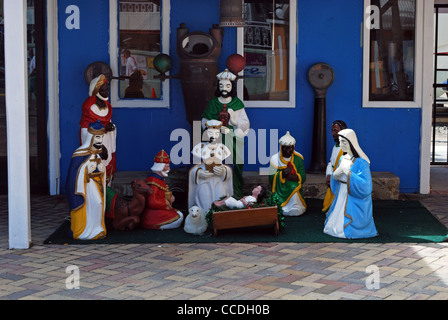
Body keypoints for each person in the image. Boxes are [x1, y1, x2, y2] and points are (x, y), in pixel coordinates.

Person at [201, 69, 250, 198]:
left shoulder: (237, 103)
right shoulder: (213, 103)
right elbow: (204, 122)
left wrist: (233, 125)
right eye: (221, 85)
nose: (224, 88)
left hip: (232, 140)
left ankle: (235, 192)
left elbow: (245, 123)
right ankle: (217, 193)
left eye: (227, 86)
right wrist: (215, 127)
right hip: (215, 141)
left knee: (236, 163)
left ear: (231, 87)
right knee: (215, 164)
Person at [323, 129, 378, 239]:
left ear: (351, 143)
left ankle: (353, 230)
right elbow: (335, 177)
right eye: (340, 141)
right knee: (333, 223)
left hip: (353, 196)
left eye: (344, 142)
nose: (341, 144)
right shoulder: (342, 159)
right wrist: (335, 174)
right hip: (341, 193)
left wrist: (348, 173)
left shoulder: (361, 163)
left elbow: (366, 186)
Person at [65, 121, 107, 240]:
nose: (100, 140)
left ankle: (97, 229)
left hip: (95, 184)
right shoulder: (79, 154)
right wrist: (86, 170)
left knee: (98, 204)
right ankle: (84, 231)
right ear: (91, 137)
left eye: (101, 137)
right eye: (97, 137)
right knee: (95, 203)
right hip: (84, 187)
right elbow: (72, 176)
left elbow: (101, 170)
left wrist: (101, 169)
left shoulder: (97, 153)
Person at [188, 120, 234, 213]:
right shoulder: (198, 148)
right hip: (203, 182)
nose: (213, 136)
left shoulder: (224, 149)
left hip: (219, 181)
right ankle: (204, 218)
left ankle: (219, 219)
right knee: (204, 202)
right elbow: (192, 167)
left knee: (220, 199)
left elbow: (230, 167)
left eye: (217, 133)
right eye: (210, 133)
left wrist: (224, 171)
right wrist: (198, 173)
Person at [79, 74, 117, 186]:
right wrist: (98, 148)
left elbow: (108, 124)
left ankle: (107, 198)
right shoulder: (89, 109)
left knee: (107, 173)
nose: (107, 93)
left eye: (107, 90)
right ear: (96, 91)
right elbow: (85, 131)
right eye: (103, 90)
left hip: (108, 145)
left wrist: (111, 127)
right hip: (96, 149)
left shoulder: (107, 107)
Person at [140, 150, 184, 230]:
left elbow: (162, 193)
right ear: (160, 167)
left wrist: (170, 197)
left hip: (160, 209)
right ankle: (158, 226)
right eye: (166, 166)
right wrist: (166, 202)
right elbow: (151, 201)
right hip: (153, 213)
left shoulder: (159, 179)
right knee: (179, 217)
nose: (169, 169)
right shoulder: (153, 181)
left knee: (179, 214)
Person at [269, 131, 307, 216]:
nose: (288, 151)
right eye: (285, 148)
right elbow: (271, 178)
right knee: (291, 186)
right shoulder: (274, 159)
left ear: (293, 148)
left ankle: (296, 206)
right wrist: (282, 174)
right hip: (280, 188)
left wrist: (296, 177)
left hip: (294, 184)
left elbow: (303, 176)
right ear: (281, 148)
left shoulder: (298, 158)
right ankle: (282, 207)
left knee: (293, 186)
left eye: (290, 148)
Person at [322, 120, 348, 213]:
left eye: (335, 130)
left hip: (342, 183)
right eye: (332, 130)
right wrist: (329, 174)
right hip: (334, 180)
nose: (333, 133)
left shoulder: (347, 149)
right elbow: (331, 164)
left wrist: (334, 177)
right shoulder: (335, 147)